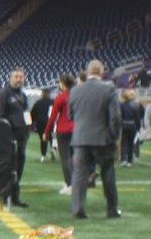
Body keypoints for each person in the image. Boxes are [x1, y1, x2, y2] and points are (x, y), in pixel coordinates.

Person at [69, 60, 121, 219]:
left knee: (79, 174)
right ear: (102, 72)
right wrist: (114, 136)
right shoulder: (109, 89)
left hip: (81, 138)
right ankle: (111, 210)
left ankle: (78, 209)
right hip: (102, 139)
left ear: (87, 72)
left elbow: (71, 114)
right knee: (108, 173)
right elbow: (115, 117)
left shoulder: (76, 90)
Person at [0, 67, 31, 209]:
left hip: (22, 137)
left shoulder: (23, 96)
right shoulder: (3, 94)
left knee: (19, 167)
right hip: (10, 137)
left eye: (21, 77)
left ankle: (15, 196)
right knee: (9, 167)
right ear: (11, 78)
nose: (18, 79)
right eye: (16, 76)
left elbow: (26, 114)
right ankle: (4, 194)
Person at [44, 72, 76, 194]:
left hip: (63, 130)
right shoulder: (78, 96)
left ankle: (69, 184)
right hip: (76, 129)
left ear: (63, 83)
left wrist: (46, 132)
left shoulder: (60, 97)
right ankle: (74, 182)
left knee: (65, 158)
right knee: (74, 158)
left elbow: (53, 117)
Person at [118, 87, 144, 166]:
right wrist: (138, 128)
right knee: (131, 143)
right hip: (132, 126)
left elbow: (120, 116)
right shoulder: (134, 106)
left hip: (124, 125)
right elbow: (137, 118)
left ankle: (123, 159)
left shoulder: (121, 106)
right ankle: (130, 160)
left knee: (124, 143)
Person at [30, 85, 52, 161]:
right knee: (52, 137)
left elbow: (32, 114)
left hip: (40, 123)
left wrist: (32, 124)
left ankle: (43, 155)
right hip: (51, 122)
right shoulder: (53, 102)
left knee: (43, 139)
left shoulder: (37, 103)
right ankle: (53, 149)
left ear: (42, 94)